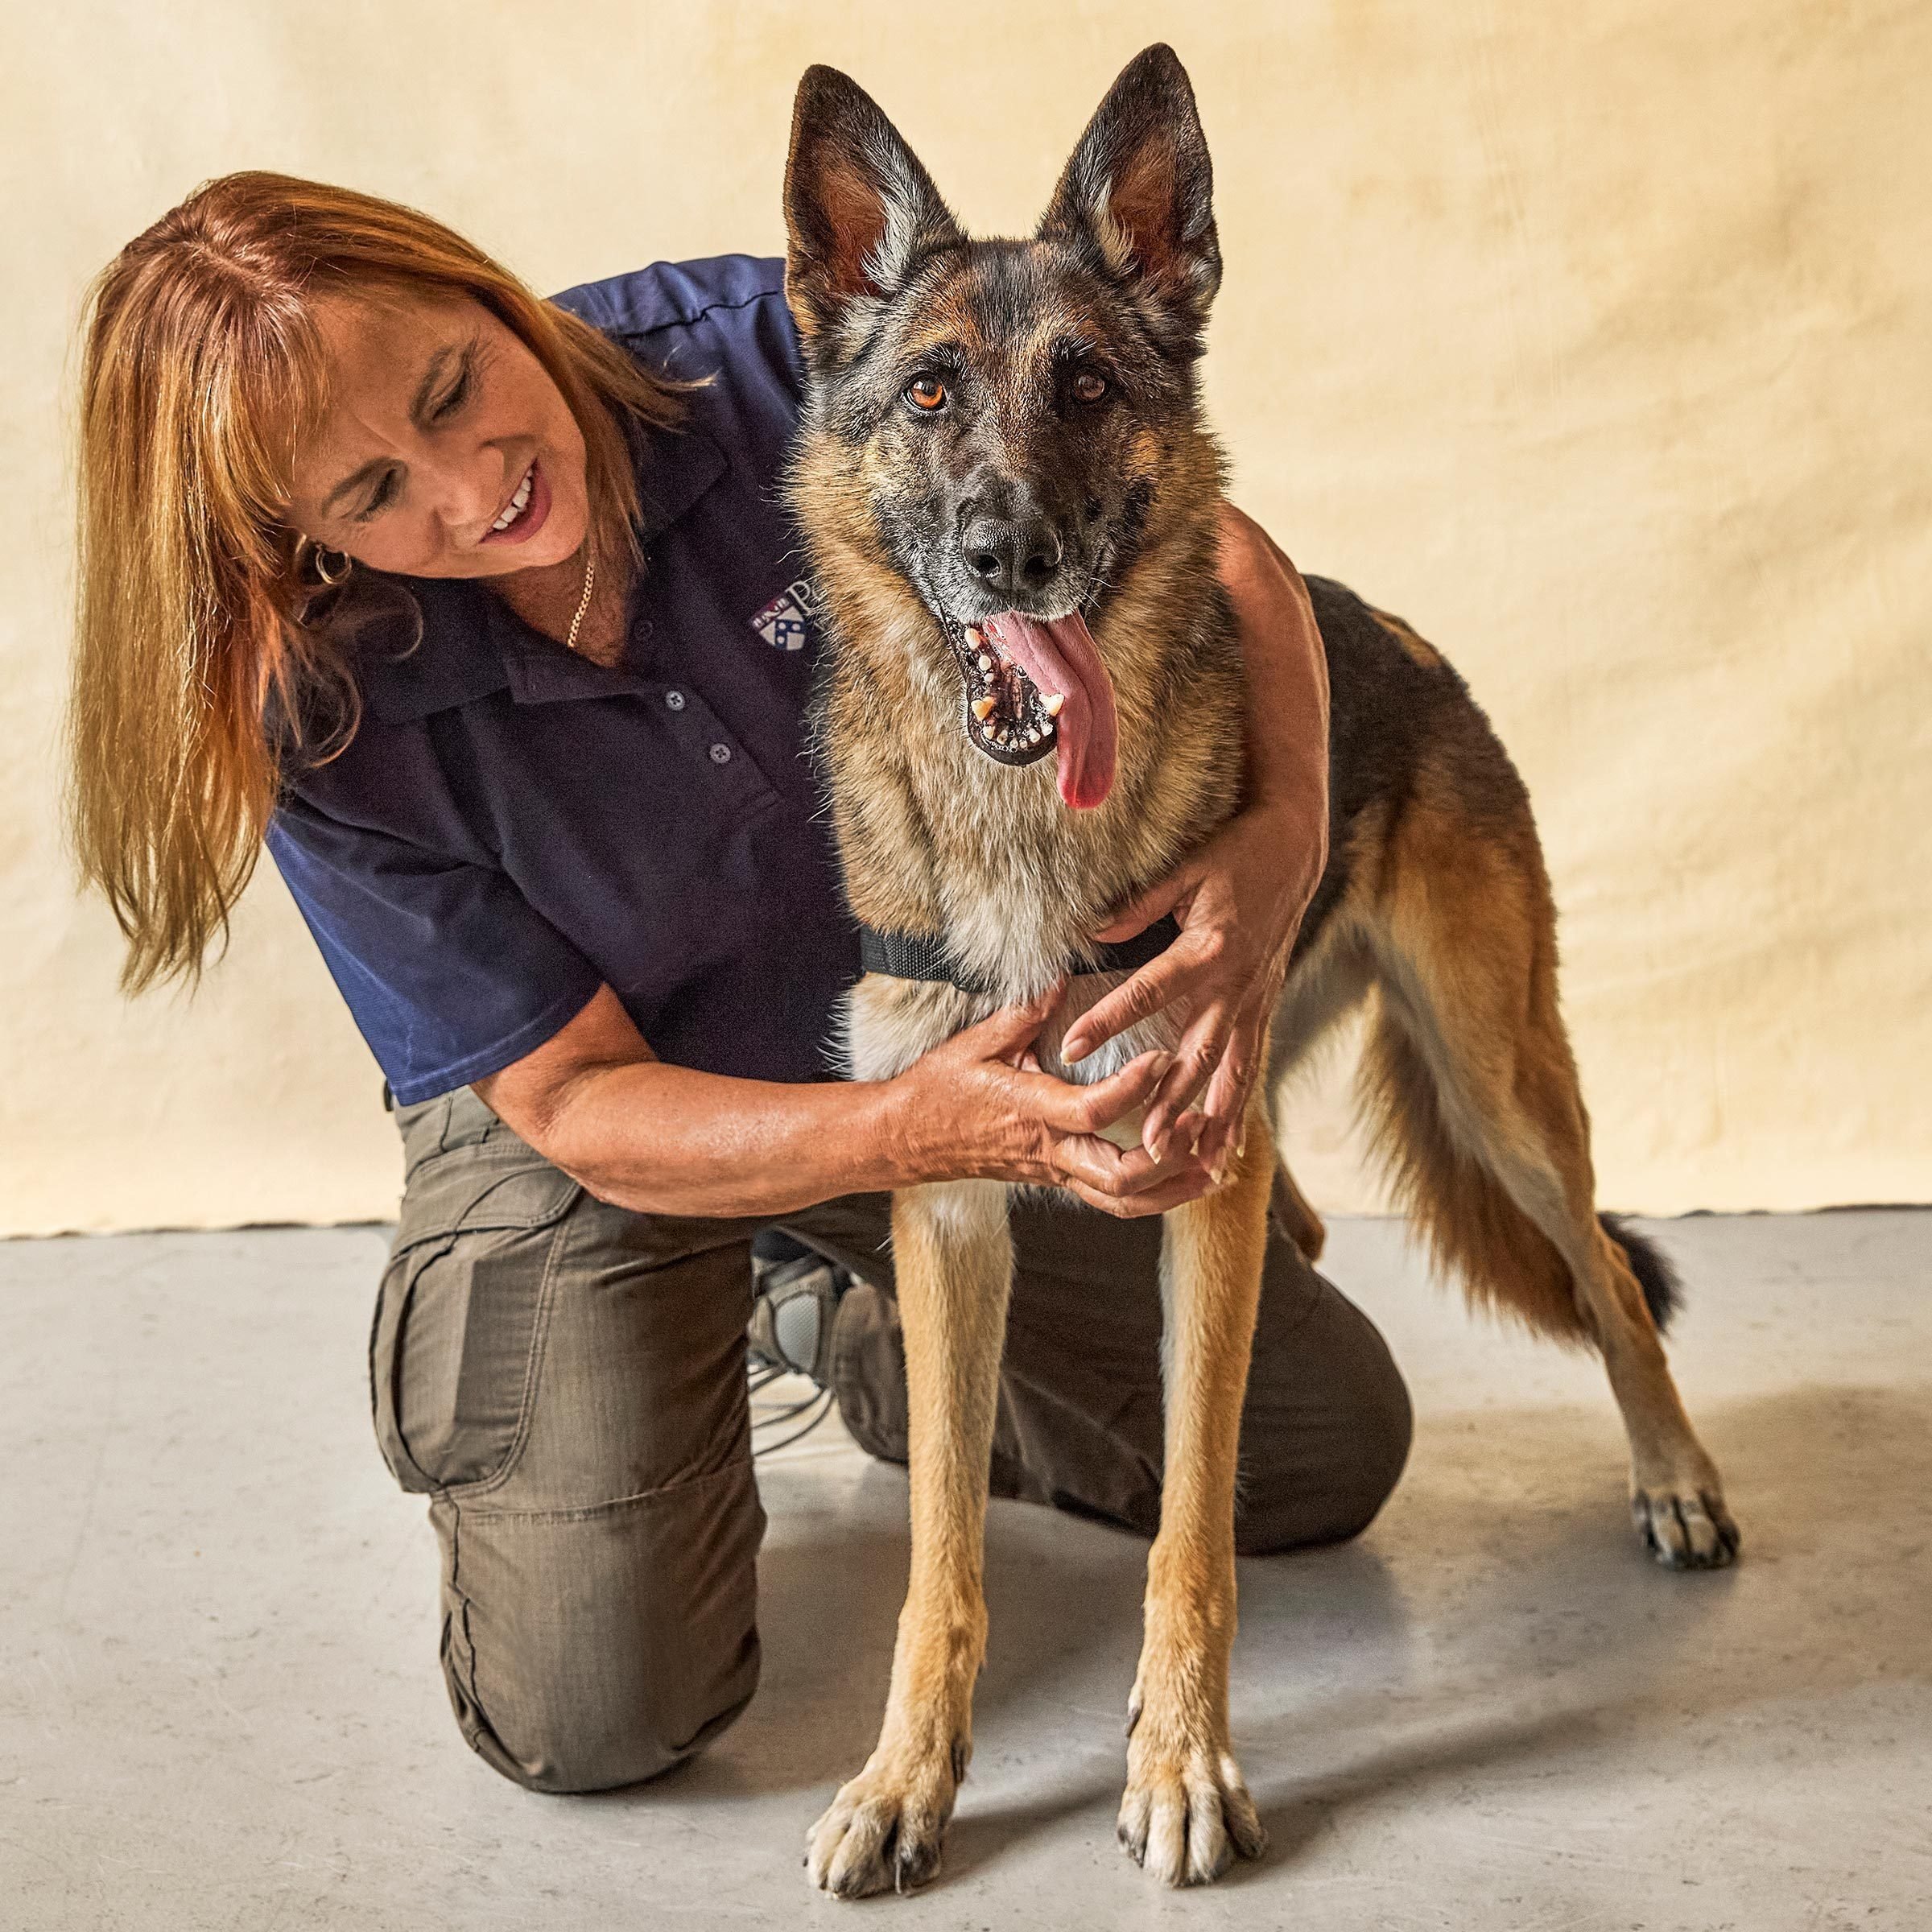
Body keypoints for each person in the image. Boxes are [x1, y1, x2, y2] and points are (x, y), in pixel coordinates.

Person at [68, 172, 1413, 1796]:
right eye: (374, 490)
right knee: (595, 1714)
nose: (474, 482)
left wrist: (1281, 841)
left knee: (1319, 1455)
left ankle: (838, 1327)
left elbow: (1208, 544)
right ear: (302, 540)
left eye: (454, 387)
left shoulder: (766, 351)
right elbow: (567, 1095)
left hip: (925, 1036)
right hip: (609, 1118)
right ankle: (693, 1315)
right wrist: (913, 1136)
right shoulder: (322, 708)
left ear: (487, 294)